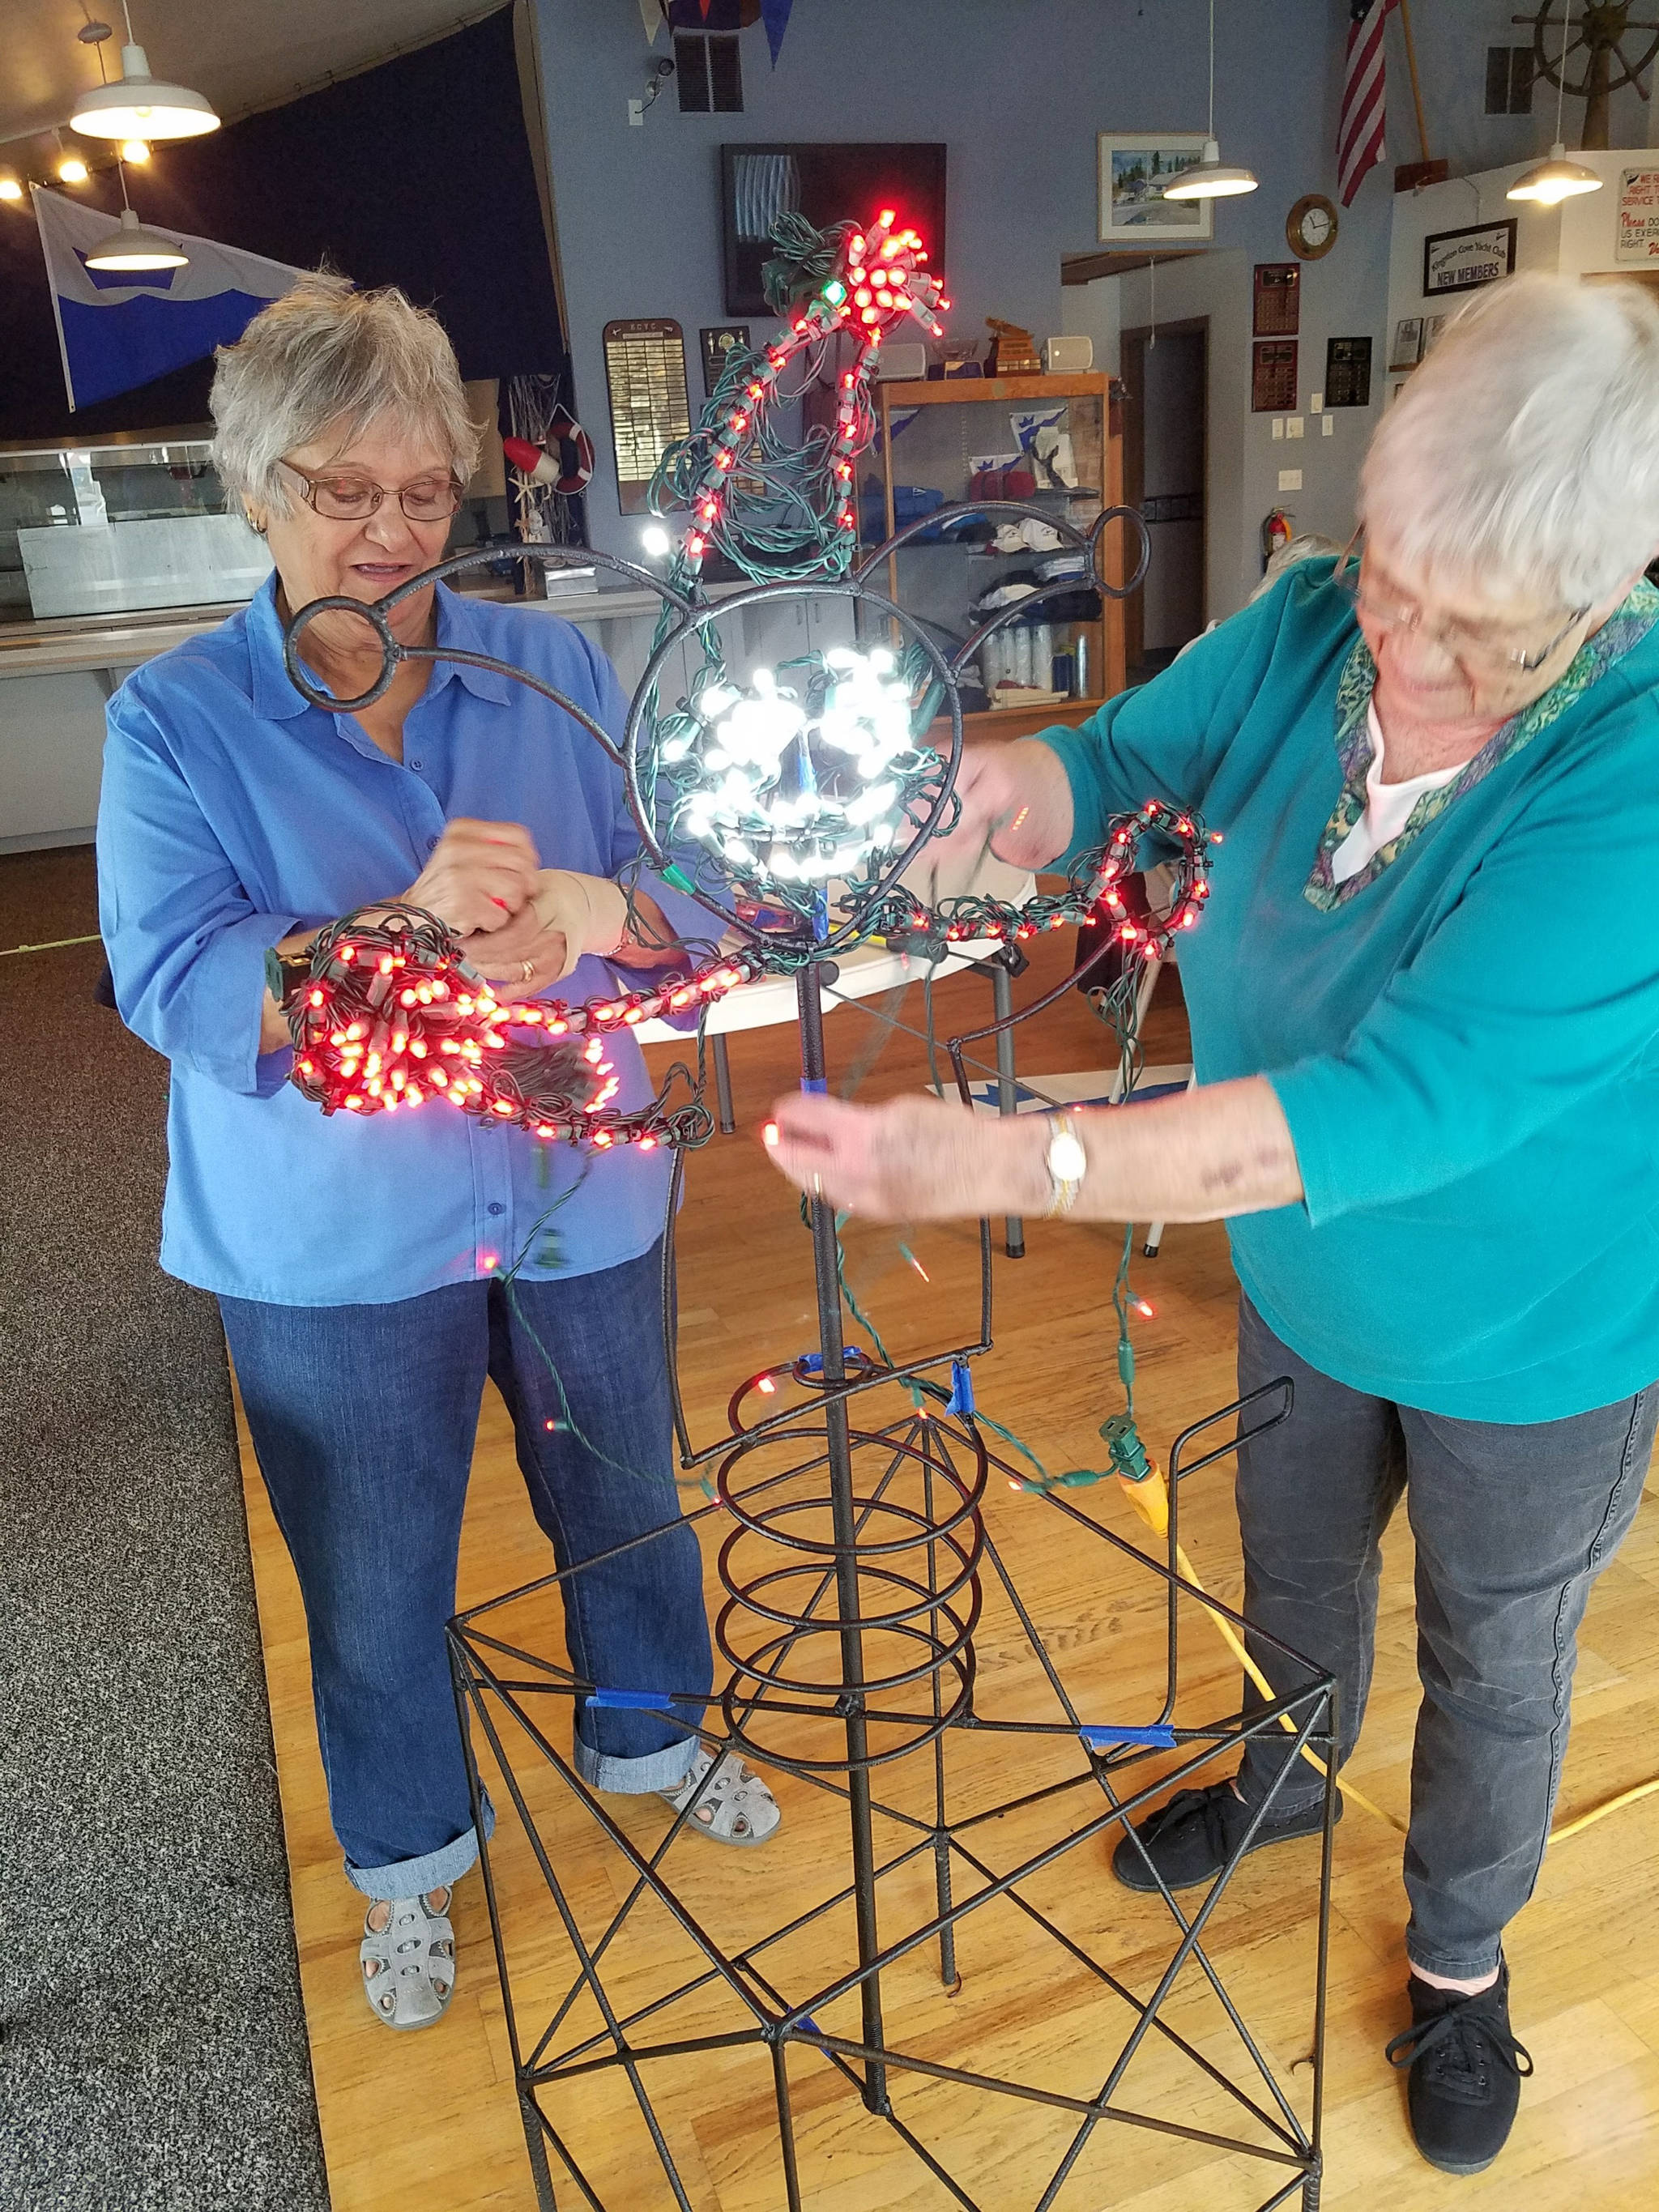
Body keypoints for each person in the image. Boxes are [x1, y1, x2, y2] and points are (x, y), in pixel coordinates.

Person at [764, 272, 1659, 2176]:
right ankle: (1280, 1771)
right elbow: (1118, 760)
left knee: (1498, 1659)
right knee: (1293, 1574)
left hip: (1540, 1335)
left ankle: (1463, 1958)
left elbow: (1396, 1109)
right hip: (1301, 1276)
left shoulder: (1633, 768)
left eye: (1473, 633)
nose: (1400, 648)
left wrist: (1016, 1160)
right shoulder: (1322, 620)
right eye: (1387, 577)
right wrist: (1015, 786)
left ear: (1596, 605)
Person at [98, 275, 779, 2035]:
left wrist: (604, 904)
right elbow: (175, 983)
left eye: (423, 496)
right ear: (256, 489)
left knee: (629, 1506)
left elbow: (709, 899)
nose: (390, 538)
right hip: (325, 1244)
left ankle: (653, 1739)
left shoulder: (553, 664)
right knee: (375, 1574)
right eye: (344, 492)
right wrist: (394, 927)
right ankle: (407, 1863)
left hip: (579, 1198)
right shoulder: (173, 722)